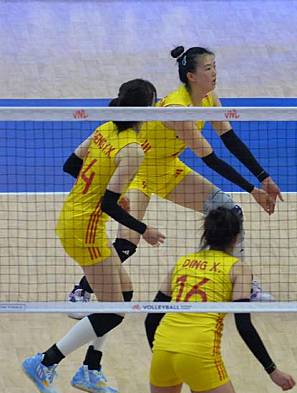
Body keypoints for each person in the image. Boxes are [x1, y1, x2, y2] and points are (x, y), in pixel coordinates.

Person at [67, 44, 281, 315]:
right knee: (127, 243)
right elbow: (211, 159)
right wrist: (252, 189)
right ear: (191, 76)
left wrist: (264, 178)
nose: (214, 73)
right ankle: (81, 291)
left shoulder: (209, 97)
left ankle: (242, 285)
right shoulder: (178, 111)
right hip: (138, 172)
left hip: (168, 168)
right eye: (207, 68)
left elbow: (230, 139)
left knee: (230, 211)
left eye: (214, 66)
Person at [21, 79, 165, 393]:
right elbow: (108, 204)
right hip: (85, 230)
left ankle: (90, 369)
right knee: (113, 310)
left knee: (124, 294)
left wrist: (102, 190)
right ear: (144, 110)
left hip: (75, 218)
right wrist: (144, 230)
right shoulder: (132, 150)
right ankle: (45, 361)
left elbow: (71, 164)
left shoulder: (105, 129)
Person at [145, 207, 295, 393]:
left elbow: (151, 319)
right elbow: (243, 325)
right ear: (236, 238)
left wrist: (166, 354)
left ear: (206, 234)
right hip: (199, 352)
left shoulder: (182, 263)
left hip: (163, 350)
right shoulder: (238, 269)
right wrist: (272, 370)